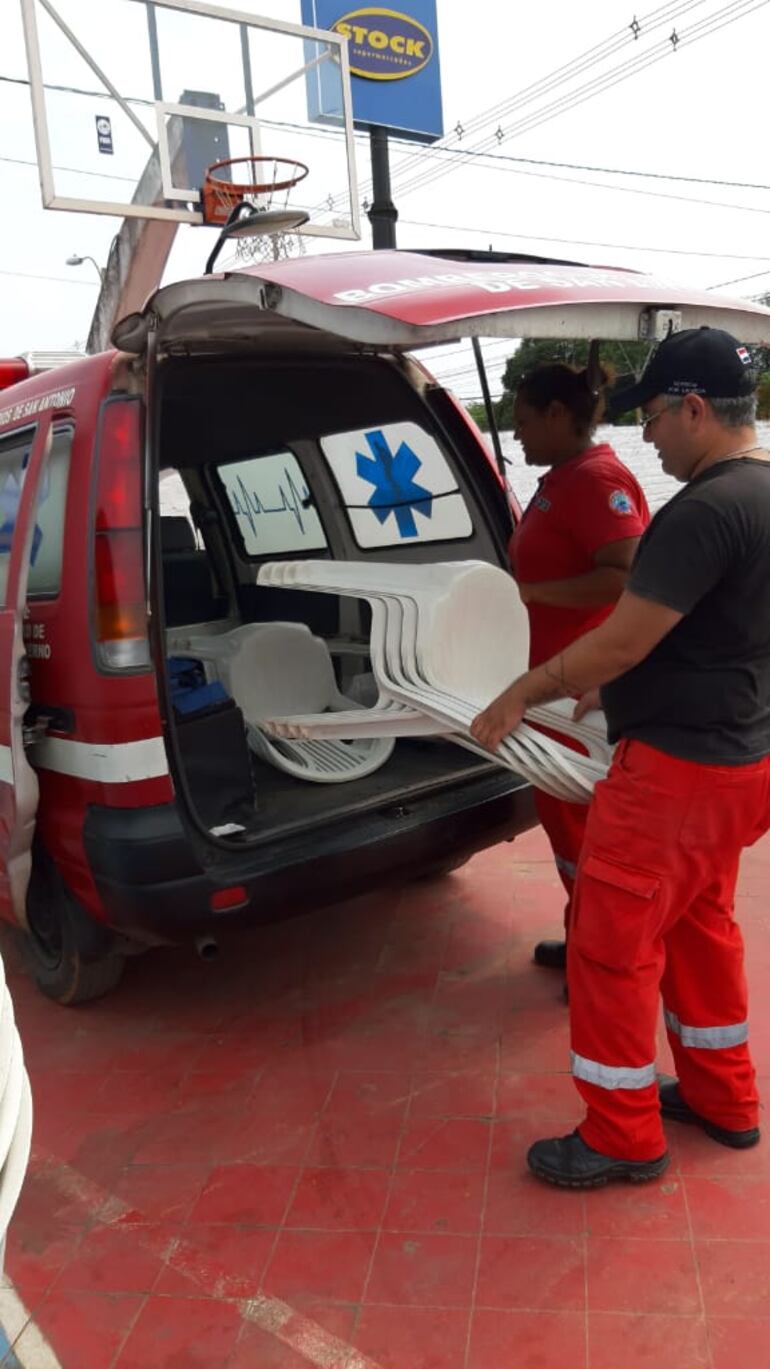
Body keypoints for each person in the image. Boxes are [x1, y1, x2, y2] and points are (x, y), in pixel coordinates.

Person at [471, 326, 770, 1188]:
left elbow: (622, 637)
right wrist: (632, 680)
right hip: (739, 760)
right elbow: (719, 628)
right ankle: (725, 1098)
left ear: (697, 409)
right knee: (701, 926)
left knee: (610, 947)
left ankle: (621, 1133)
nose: (646, 436)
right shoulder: (760, 496)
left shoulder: (704, 511)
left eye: (658, 418)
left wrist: (524, 691)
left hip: (673, 775)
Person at [509, 362, 649, 974]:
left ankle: (602, 957)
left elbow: (626, 576)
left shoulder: (597, 481)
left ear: (557, 416)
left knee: (585, 828)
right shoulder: (562, 477)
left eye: (523, 423)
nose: (516, 437)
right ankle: (583, 935)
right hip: (551, 683)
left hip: (579, 686)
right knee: (566, 829)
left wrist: (536, 594)